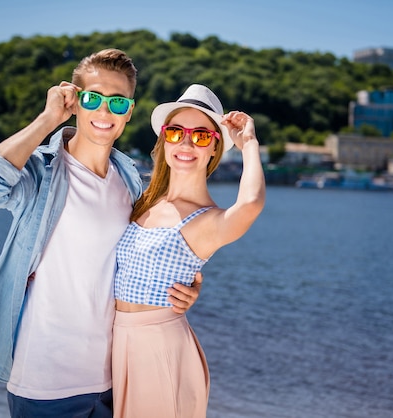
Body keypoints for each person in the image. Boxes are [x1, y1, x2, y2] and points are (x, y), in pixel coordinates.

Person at [0, 49, 202, 418]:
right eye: (92, 98)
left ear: (130, 110)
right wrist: (47, 119)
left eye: (117, 102)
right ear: (75, 101)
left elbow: (144, 255)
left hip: (115, 378)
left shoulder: (129, 182)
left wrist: (185, 287)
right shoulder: (42, 174)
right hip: (46, 384)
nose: (104, 111)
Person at [112, 84, 266, 418]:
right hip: (115, 342)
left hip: (160, 349)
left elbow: (251, 203)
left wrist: (250, 144)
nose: (185, 143)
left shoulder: (208, 220)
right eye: (175, 132)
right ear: (163, 140)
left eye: (200, 136)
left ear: (214, 148)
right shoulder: (143, 202)